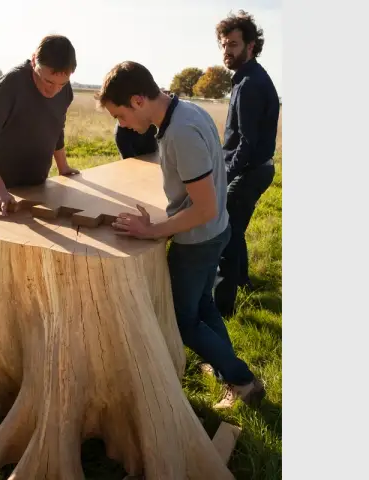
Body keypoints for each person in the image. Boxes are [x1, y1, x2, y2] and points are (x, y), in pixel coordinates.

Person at [95, 61, 265, 409]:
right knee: (204, 306)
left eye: (120, 116)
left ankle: (242, 380)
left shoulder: (181, 132)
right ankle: (227, 371)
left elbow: (204, 207)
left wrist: (152, 231)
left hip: (198, 239)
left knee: (183, 321)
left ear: (138, 100)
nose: (122, 125)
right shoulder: (185, 110)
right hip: (214, 233)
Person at [0, 34, 81, 219]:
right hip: (4, 191)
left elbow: (57, 126)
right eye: (48, 81)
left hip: (38, 185)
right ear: (34, 59)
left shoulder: (65, 91)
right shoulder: (11, 84)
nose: (53, 90)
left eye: (62, 84)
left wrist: (63, 167)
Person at [213, 11, 280, 317]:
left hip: (249, 171)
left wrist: (226, 176)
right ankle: (243, 282)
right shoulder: (246, 78)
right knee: (236, 230)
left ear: (251, 45)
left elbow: (247, 143)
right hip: (255, 168)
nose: (227, 51)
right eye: (224, 45)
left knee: (226, 233)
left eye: (234, 44)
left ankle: (223, 309)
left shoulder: (251, 83)